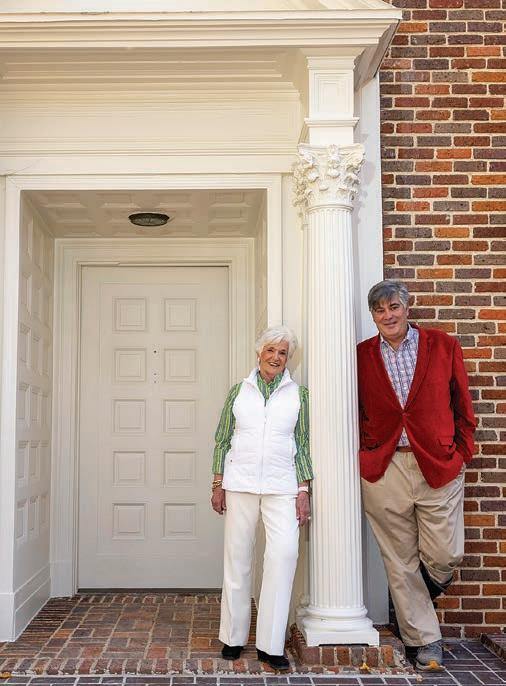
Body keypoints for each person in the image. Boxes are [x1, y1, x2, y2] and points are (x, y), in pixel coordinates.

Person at [358, 280, 476, 672]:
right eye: (379, 310)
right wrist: (365, 455)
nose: (387, 315)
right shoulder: (361, 356)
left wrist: (462, 454)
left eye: (393, 307)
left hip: (437, 463)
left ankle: (412, 600)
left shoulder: (443, 346)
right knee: (399, 559)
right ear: (372, 315)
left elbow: (462, 404)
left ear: (407, 308)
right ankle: (424, 641)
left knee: (445, 554)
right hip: (385, 466)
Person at [211, 325, 313, 670]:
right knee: (238, 558)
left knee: (283, 556)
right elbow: (222, 439)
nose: (276, 357)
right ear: (259, 353)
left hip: (282, 486)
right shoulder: (239, 391)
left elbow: (303, 445)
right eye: (271, 350)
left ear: (289, 359)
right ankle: (233, 637)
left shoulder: (299, 395)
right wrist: (217, 483)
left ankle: (271, 644)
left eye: (283, 353)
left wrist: (303, 490)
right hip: (239, 483)